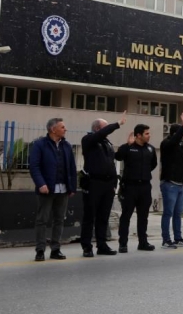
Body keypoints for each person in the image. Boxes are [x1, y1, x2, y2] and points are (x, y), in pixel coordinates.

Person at [29, 118, 77, 261]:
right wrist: (41, 184)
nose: (65, 129)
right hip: (46, 189)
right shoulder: (40, 145)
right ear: (53, 129)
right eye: (62, 127)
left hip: (63, 190)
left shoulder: (66, 146)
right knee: (42, 220)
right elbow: (34, 166)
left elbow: (72, 168)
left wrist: (72, 186)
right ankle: (40, 250)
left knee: (59, 220)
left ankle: (55, 249)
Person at [80, 112, 126, 257]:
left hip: (108, 184)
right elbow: (99, 135)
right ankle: (87, 246)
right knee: (89, 217)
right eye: (105, 128)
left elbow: (111, 162)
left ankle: (102, 245)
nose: (107, 131)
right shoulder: (88, 140)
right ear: (97, 129)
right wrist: (117, 124)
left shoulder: (107, 143)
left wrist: (113, 183)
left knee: (103, 216)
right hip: (93, 183)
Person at [115, 124, 157, 253]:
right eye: (146, 134)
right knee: (126, 216)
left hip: (144, 186)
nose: (149, 136)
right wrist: (127, 145)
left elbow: (153, 164)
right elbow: (118, 156)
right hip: (130, 186)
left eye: (149, 133)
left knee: (143, 216)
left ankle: (143, 242)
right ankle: (123, 243)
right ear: (138, 135)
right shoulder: (129, 147)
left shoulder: (150, 148)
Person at [159, 113, 183, 249]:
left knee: (178, 213)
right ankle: (166, 239)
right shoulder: (167, 143)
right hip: (170, 184)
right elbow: (174, 140)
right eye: (182, 133)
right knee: (168, 213)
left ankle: (178, 238)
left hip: (179, 184)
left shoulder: (179, 145)